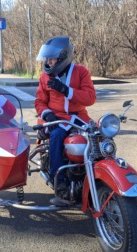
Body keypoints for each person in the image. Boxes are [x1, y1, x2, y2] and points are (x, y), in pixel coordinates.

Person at [34, 36, 97, 203]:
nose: (48, 62)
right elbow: (39, 101)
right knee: (56, 137)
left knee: (98, 135)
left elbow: (90, 98)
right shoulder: (44, 77)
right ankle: (59, 182)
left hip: (79, 117)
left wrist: (66, 90)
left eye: (52, 58)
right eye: (47, 58)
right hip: (57, 118)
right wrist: (47, 114)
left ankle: (99, 172)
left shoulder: (81, 72)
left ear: (63, 57)